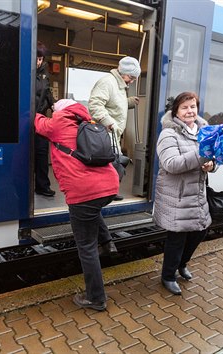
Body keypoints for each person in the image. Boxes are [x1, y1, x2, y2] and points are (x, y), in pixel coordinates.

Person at [35, 98, 119, 310]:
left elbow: (37, 123)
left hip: (84, 192)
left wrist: (33, 109)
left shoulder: (59, 121)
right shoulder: (88, 122)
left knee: (86, 247)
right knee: (92, 211)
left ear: (60, 110)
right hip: (110, 185)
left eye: (54, 109)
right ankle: (107, 241)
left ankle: (96, 298)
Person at [152, 92, 215, 296]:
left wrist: (212, 165)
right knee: (177, 237)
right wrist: (201, 155)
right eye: (185, 107)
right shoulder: (168, 134)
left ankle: (182, 264)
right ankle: (168, 276)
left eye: (193, 106)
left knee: (199, 231)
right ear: (176, 112)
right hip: (177, 196)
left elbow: (213, 159)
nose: (190, 111)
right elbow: (171, 164)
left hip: (197, 194)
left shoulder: (204, 131)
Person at [88, 56, 141, 201]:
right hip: (106, 133)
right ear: (123, 72)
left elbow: (114, 103)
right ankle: (103, 194)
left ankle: (108, 192)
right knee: (112, 165)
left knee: (114, 164)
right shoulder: (107, 82)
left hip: (114, 133)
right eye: (132, 76)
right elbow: (95, 105)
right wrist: (109, 122)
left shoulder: (120, 85)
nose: (133, 80)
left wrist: (129, 102)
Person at [34, 41, 55, 197]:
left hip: (40, 119)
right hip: (24, 119)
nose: (38, 61)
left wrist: (54, 105)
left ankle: (42, 186)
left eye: (41, 58)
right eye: (36, 58)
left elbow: (47, 93)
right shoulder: (22, 70)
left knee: (41, 153)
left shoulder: (44, 74)